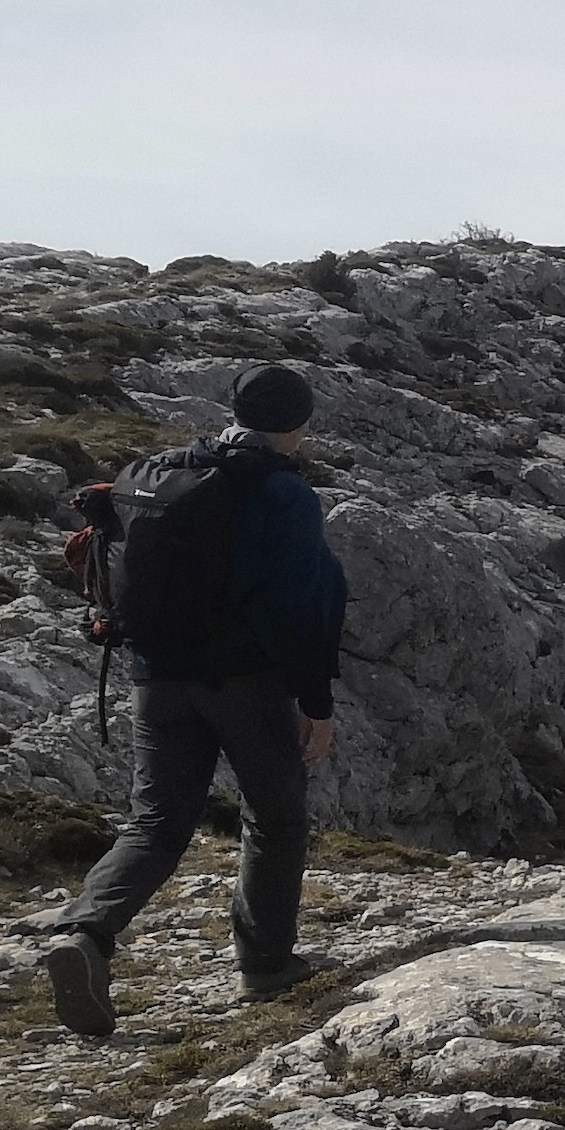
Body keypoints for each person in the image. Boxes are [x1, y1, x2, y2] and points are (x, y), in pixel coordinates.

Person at [43, 363, 351, 1037]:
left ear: (233, 408)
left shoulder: (155, 474)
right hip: (245, 683)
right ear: (299, 423)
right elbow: (301, 608)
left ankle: (85, 932)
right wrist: (316, 702)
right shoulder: (282, 493)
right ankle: (265, 964)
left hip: (155, 677)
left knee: (154, 824)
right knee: (275, 818)